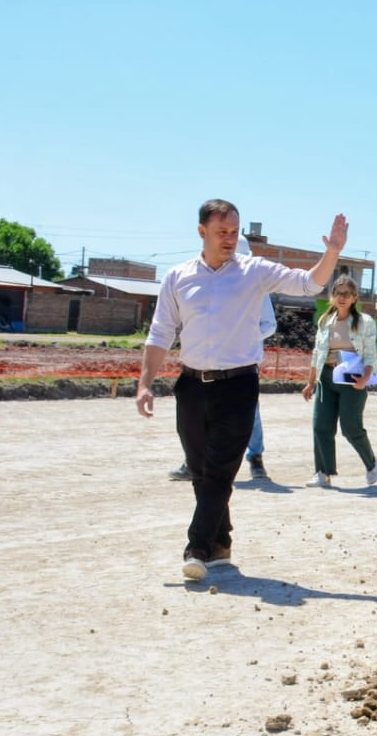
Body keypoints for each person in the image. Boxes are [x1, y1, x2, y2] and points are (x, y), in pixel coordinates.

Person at [138, 199, 348, 581]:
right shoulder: (178, 277)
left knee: (220, 472)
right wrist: (145, 383)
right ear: (202, 232)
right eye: (222, 232)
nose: (230, 239)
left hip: (238, 386)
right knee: (201, 472)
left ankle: (196, 548)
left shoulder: (254, 271)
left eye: (234, 232)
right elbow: (161, 333)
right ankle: (221, 543)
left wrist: (331, 252)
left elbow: (308, 284)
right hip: (191, 385)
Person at [169, 239, 279, 483]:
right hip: (205, 366)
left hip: (240, 366)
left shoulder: (255, 286)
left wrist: (240, 335)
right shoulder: (203, 284)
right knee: (201, 416)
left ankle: (256, 458)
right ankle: (193, 461)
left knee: (251, 414)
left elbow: (269, 324)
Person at [304, 274, 377, 489]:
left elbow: (370, 355)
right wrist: (311, 382)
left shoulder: (364, 322)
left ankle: (371, 463)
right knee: (321, 426)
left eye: (347, 294)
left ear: (355, 297)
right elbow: (317, 353)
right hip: (326, 378)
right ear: (332, 296)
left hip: (352, 380)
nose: (342, 297)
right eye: (338, 293)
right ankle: (323, 472)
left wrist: (365, 379)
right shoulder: (325, 321)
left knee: (350, 427)